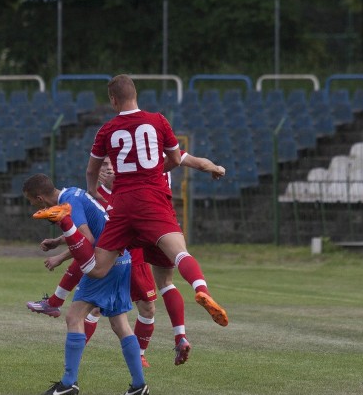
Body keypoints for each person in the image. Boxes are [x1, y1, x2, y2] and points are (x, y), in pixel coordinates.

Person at [44, 74, 229, 330]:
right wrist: (215, 168)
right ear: (135, 94)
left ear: (113, 99)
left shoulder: (107, 130)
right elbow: (181, 159)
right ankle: (201, 290)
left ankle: (66, 226)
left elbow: (90, 171)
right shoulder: (158, 122)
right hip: (153, 204)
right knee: (179, 256)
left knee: (97, 268)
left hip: (123, 206)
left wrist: (92, 192)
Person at [28, 152, 226, 366]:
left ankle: (72, 350)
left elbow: (89, 235)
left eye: (110, 164)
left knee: (116, 294)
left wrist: (60, 252)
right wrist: (216, 168)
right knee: (155, 287)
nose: (108, 168)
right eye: (104, 165)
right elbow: (191, 162)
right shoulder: (159, 158)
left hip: (133, 233)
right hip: (152, 227)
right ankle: (178, 332)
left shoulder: (125, 171)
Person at [23, 173, 148, 395]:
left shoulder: (68, 202)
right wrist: (59, 244)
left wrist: (61, 256)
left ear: (40, 199)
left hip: (106, 262)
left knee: (74, 317)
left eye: (31, 201)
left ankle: (68, 382)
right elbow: (91, 229)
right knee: (120, 324)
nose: (31, 205)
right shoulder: (74, 192)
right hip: (123, 259)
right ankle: (139, 385)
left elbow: (86, 239)